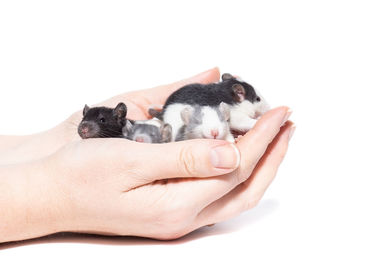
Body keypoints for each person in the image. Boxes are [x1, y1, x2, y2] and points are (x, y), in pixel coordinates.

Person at [0, 68, 295, 243]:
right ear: (239, 94)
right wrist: (51, 197)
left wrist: (38, 151)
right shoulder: (203, 111)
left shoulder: (216, 110)